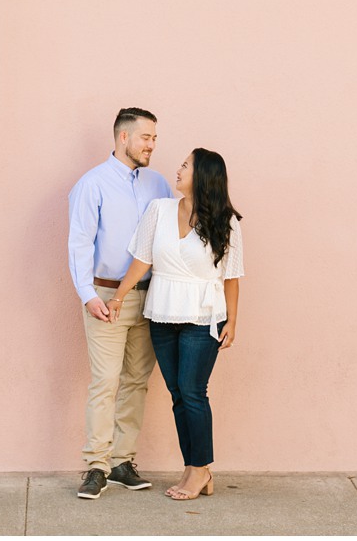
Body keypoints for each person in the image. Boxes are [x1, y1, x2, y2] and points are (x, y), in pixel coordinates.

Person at [108, 147, 244, 501]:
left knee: (193, 391)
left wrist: (233, 320)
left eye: (186, 165)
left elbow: (231, 277)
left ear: (203, 177)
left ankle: (199, 470)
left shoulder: (226, 221)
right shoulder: (160, 210)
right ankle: (195, 469)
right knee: (178, 394)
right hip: (163, 314)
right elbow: (141, 260)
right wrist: (119, 296)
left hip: (204, 317)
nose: (179, 169)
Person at [67, 107, 173, 500]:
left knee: (136, 382)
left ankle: (121, 462)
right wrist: (88, 295)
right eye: (147, 137)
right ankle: (95, 464)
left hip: (151, 299)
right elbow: (79, 243)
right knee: (105, 382)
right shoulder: (91, 185)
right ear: (123, 137)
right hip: (107, 298)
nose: (152, 145)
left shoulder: (158, 183)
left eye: (155, 139)